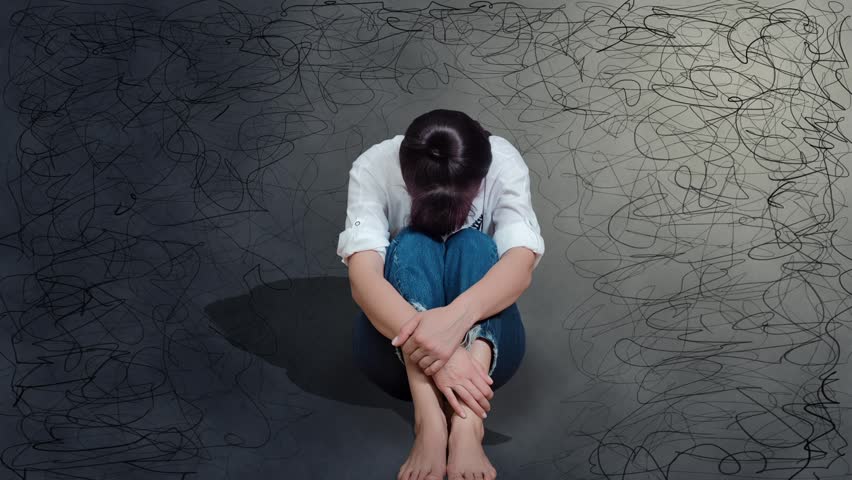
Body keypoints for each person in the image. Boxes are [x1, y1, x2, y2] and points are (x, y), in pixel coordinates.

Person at [337, 109, 545, 480]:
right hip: (393, 358)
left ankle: (467, 424)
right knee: (413, 242)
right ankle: (429, 422)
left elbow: (521, 263)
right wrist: (440, 352)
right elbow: (363, 278)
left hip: (484, 361)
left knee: (475, 245)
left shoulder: (502, 161)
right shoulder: (374, 166)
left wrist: (454, 321)